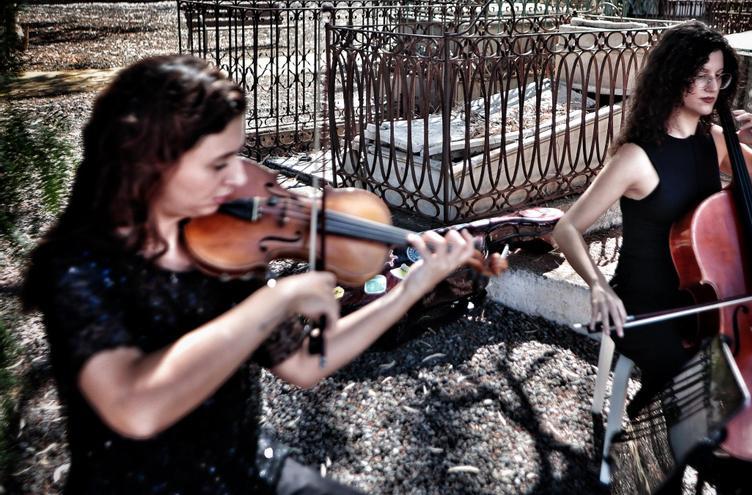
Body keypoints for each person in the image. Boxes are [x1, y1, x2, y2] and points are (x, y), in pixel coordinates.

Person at [21, 55, 477, 494]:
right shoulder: (79, 267)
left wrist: (409, 290)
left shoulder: (223, 244)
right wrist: (274, 301)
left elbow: (304, 363)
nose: (236, 178)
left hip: (246, 468)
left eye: (236, 156)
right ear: (152, 160)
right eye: (218, 163)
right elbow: (134, 408)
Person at [552, 21, 752, 494]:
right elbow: (566, 228)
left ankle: (668, 455)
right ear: (672, 75)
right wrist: (598, 285)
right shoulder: (637, 157)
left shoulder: (714, 140)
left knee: (714, 373)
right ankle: (720, 467)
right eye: (699, 74)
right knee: (695, 376)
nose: (711, 86)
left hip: (701, 298)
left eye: (719, 76)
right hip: (643, 303)